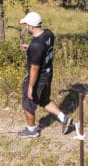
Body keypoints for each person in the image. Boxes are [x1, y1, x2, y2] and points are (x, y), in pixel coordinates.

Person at [17, 11, 73, 139]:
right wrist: (30, 48)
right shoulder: (48, 34)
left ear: (31, 26)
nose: (26, 27)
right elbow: (43, 50)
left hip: (38, 78)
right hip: (48, 74)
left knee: (27, 104)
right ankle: (64, 119)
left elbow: (34, 68)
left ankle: (31, 130)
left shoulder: (36, 45)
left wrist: (30, 87)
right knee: (44, 100)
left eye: (26, 25)